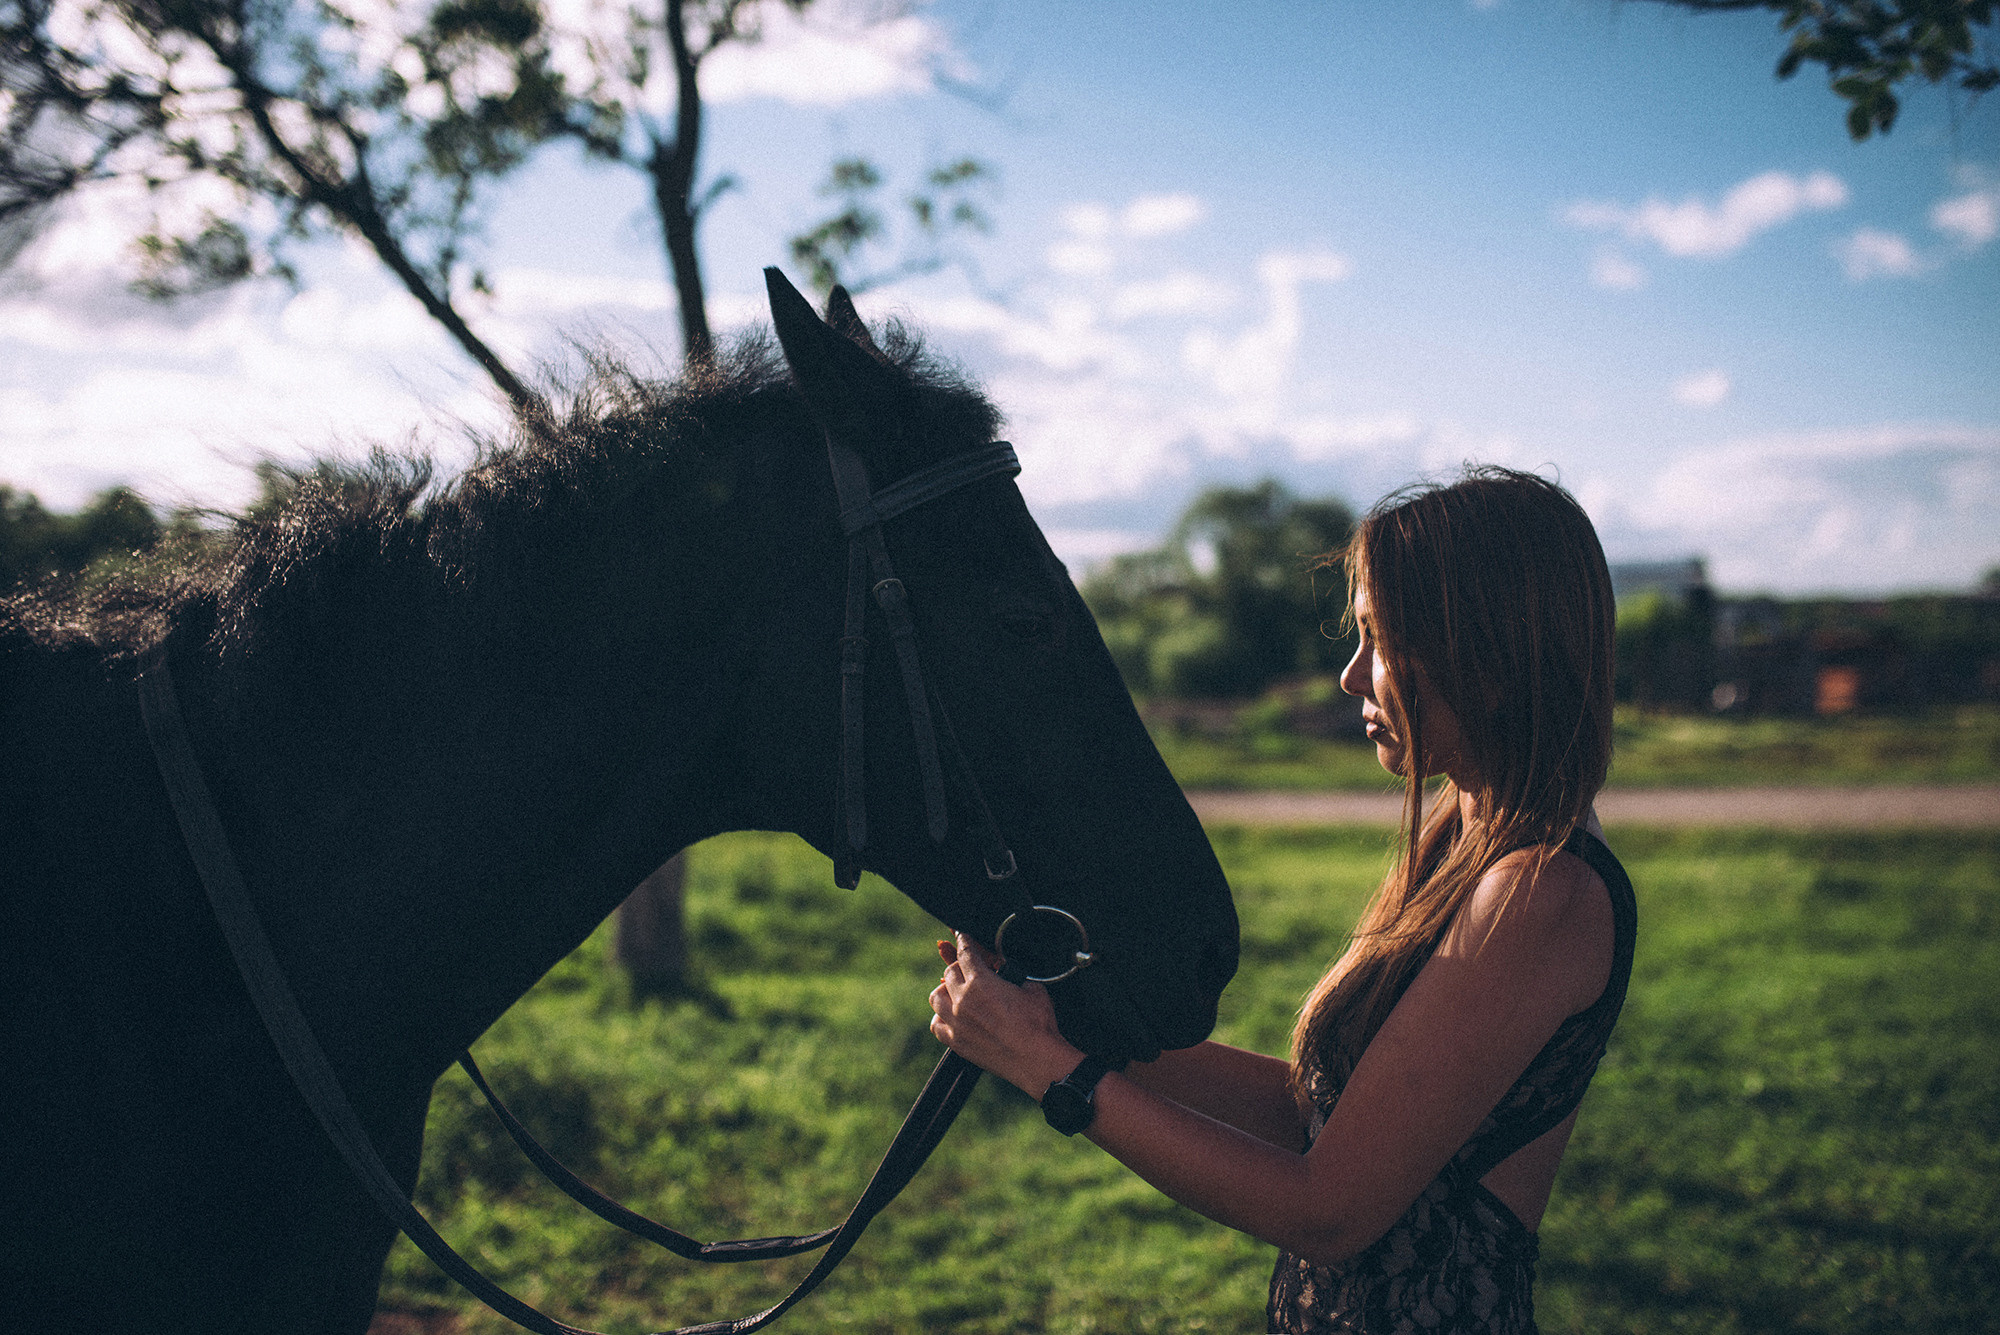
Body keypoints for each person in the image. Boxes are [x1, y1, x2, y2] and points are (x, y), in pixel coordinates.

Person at [929, 465, 1637, 1334]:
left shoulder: (1542, 891)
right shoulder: (1461, 834)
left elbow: (1327, 1208)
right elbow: (1314, 1116)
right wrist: (1057, 1018)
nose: (1351, 677)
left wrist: (1056, 1074)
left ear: (1488, 656)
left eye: (1382, 640)